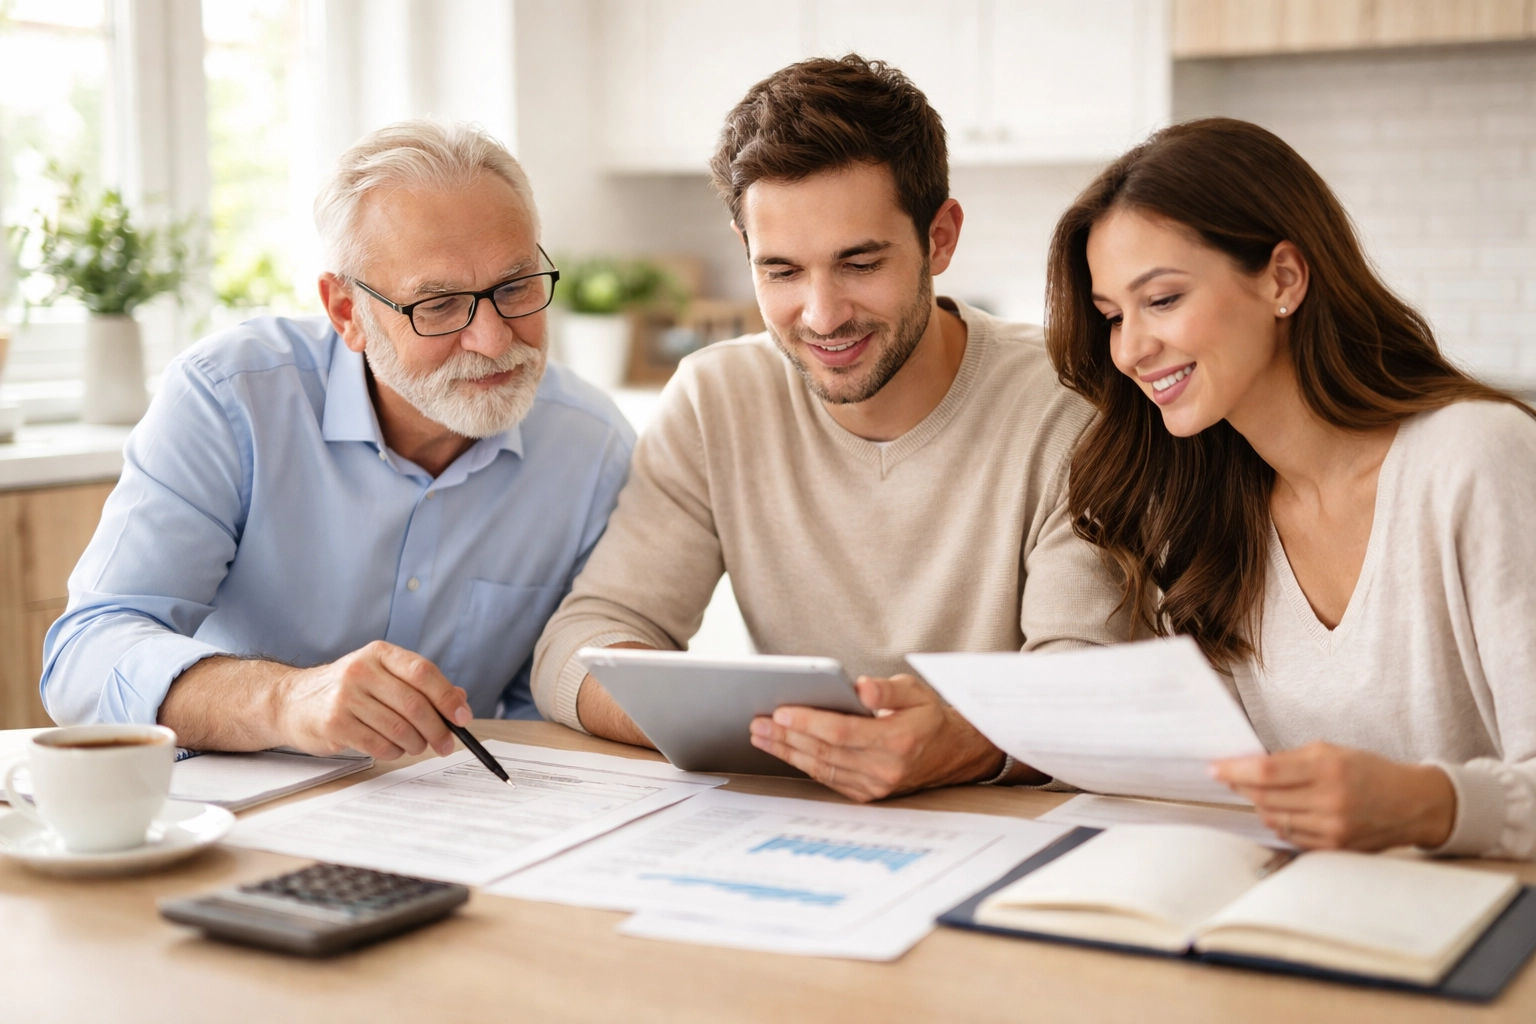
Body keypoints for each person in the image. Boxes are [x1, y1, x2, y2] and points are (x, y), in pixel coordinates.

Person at [531, 55, 1127, 801]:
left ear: (941, 238)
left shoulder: (1071, 403)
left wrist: (957, 742)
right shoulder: (716, 399)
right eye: (781, 271)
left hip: (1012, 830)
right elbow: (577, 648)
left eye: (860, 263)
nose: (822, 315)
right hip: (805, 827)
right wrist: (777, 733)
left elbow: (1088, 687)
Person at [41, 121, 634, 761]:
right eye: (437, 305)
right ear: (347, 312)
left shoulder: (592, 447)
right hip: (238, 800)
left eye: (515, 287)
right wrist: (283, 700)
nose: (493, 340)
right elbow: (84, 654)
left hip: (461, 802)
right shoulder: (229, 399)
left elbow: (541, 702)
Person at [1047, 116, 1536, 858]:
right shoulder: (1206, 521)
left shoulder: (1474, 459)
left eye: (1164, 299)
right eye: (1113, 317)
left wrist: (1427, 805)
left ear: (1283, 278)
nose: (1131, 349)